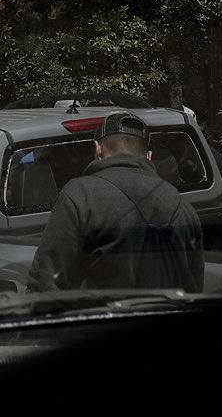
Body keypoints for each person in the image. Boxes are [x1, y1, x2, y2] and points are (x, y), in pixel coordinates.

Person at [26, 111, 204, 293]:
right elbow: (194, 289)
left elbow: (44, 281)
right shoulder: (183, 208)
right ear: (149, 156)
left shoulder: (79, 195)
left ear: (97, 149)